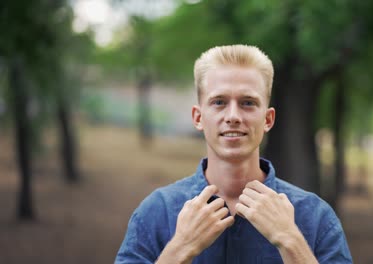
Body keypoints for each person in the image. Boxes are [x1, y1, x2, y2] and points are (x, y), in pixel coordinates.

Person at [115, 45, 353, 264]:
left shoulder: (316, 217)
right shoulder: (157, 212)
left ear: (268, 119)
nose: (233, 116)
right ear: (198, 117)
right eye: (219, 102)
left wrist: (290, 240)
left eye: (248, 103)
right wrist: (181, 247)